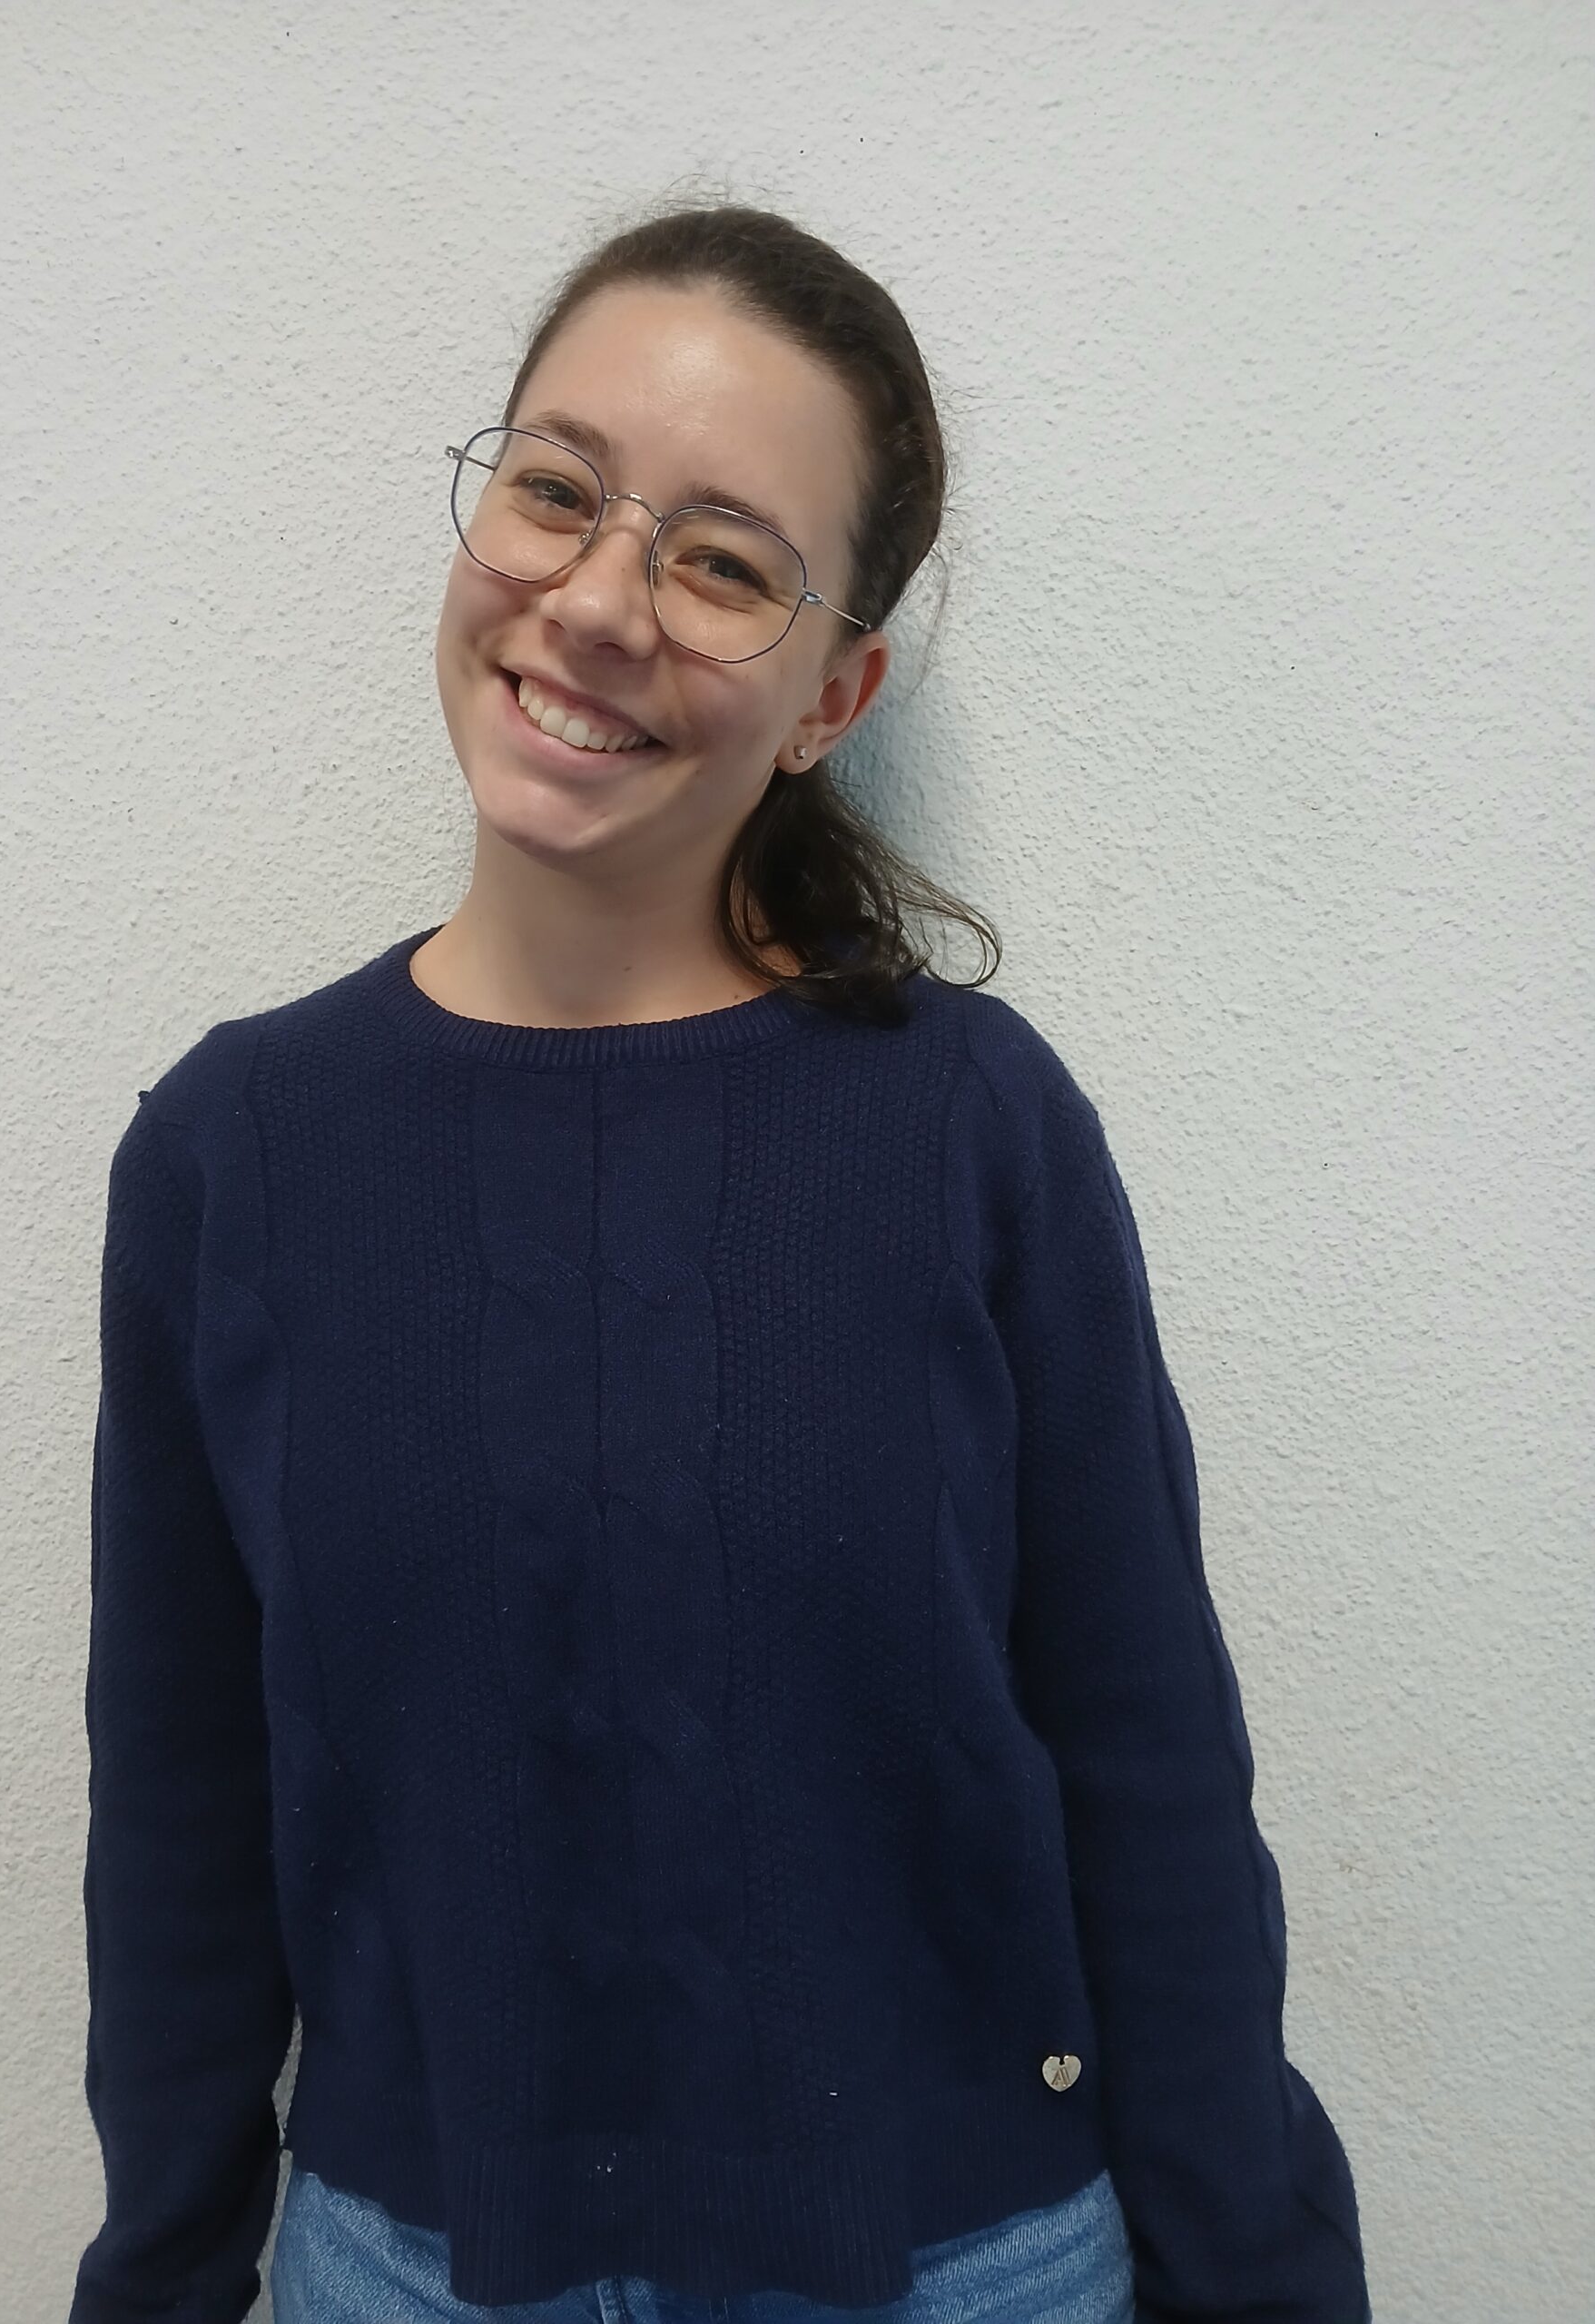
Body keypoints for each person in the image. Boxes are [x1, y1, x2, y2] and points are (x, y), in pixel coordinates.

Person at [68, 200, 1372, 2324]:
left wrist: (1260, 2273)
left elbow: (1149, 1763)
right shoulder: (236, 1152)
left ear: (831, 694)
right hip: (404, 2268)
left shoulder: (973, 1129)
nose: (597, 601)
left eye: (725, 562)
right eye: (556, 490)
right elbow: (180, 1815)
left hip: (967, 2268)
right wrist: (161, 2267)